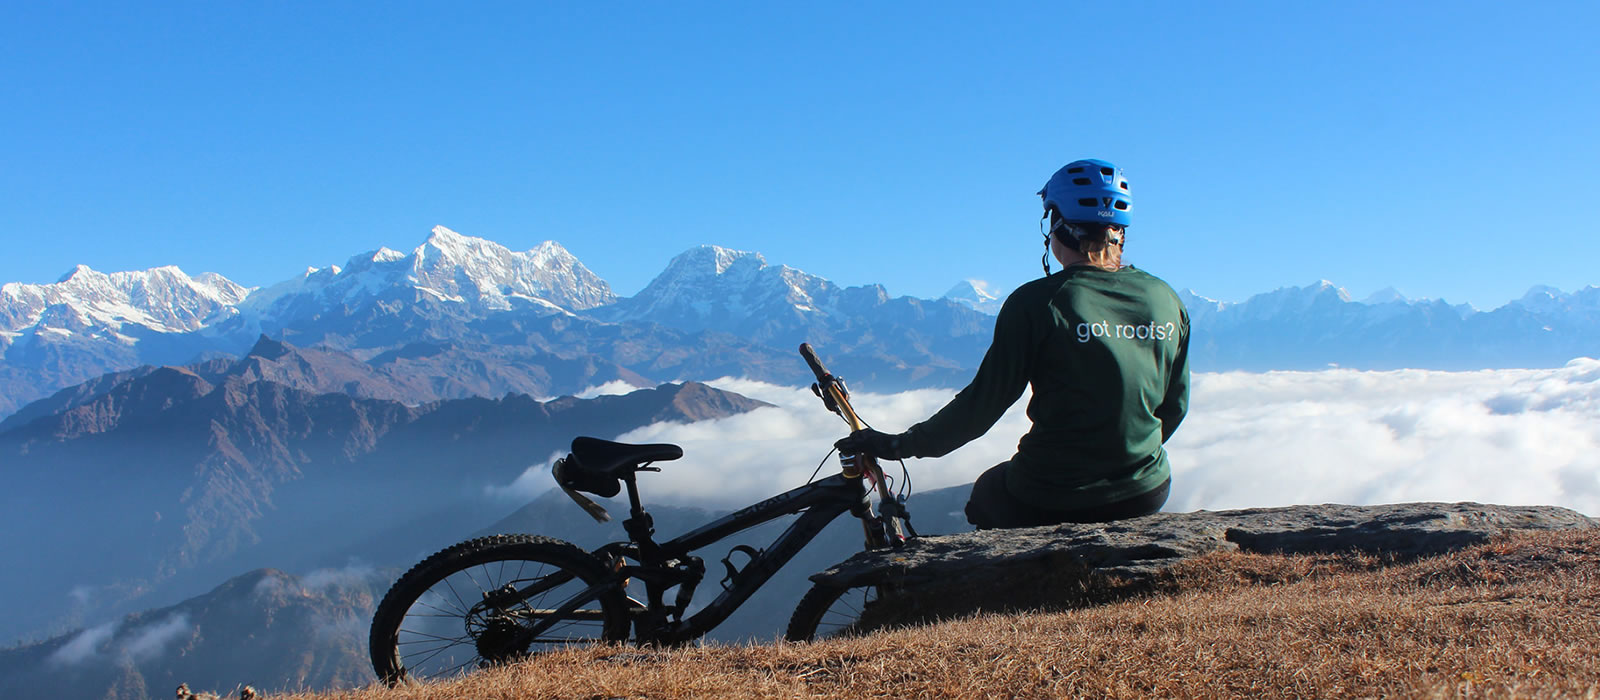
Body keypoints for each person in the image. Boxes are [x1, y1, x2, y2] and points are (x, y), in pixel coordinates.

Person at [837, 159, 1190, 528]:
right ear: (1120, 231)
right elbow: (1175, 406)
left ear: (1055, 224)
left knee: (987, 495)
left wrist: (899, 446)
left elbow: (981, 407)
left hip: (1054, 492)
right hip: (1147, 488)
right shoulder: (1165, 299)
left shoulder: (1038, 303)